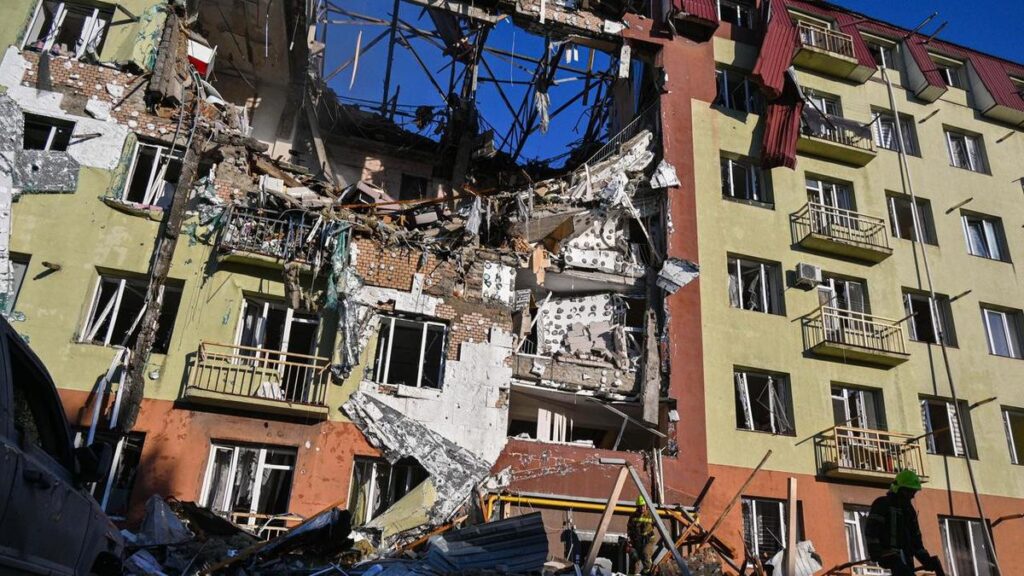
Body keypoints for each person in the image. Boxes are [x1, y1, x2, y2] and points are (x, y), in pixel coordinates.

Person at [865, 469, 945, 576]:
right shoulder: (882, 504)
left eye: (914, 492)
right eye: (911, 492)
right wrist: (876, 551)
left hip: (906, 559)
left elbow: (916, 540)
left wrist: (926, 559)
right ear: (901, 490)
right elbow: (871, 530)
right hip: (889, 558)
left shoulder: (909, 511)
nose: (912, 496)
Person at [627, 495, 658, 575]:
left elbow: (660, 525)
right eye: (640, 506)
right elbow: (629, 528)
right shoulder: (633, 516)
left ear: (646, 505)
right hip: (637, 540)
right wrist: (630, 541)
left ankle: (647, 573)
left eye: (643, 506)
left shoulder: (651, 515)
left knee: (645, 553)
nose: (642, 508)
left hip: (649, 539)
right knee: (634, 557)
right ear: (637, 506)